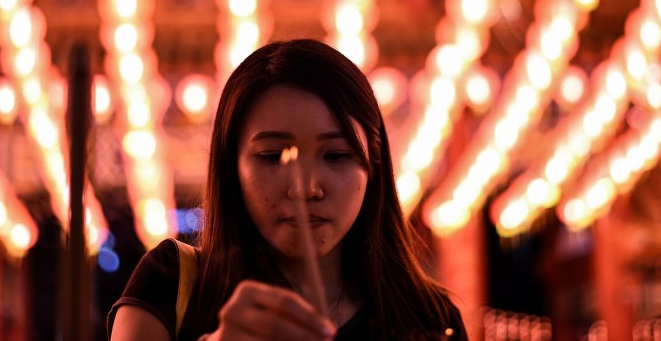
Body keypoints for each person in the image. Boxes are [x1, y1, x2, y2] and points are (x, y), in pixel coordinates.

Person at [108, 38, 468, 341]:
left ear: (373, 165)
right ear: (231, 167)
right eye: (272, 156)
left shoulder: (429, 322)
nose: (306, 188)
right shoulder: (171, 285)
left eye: (336, 155)